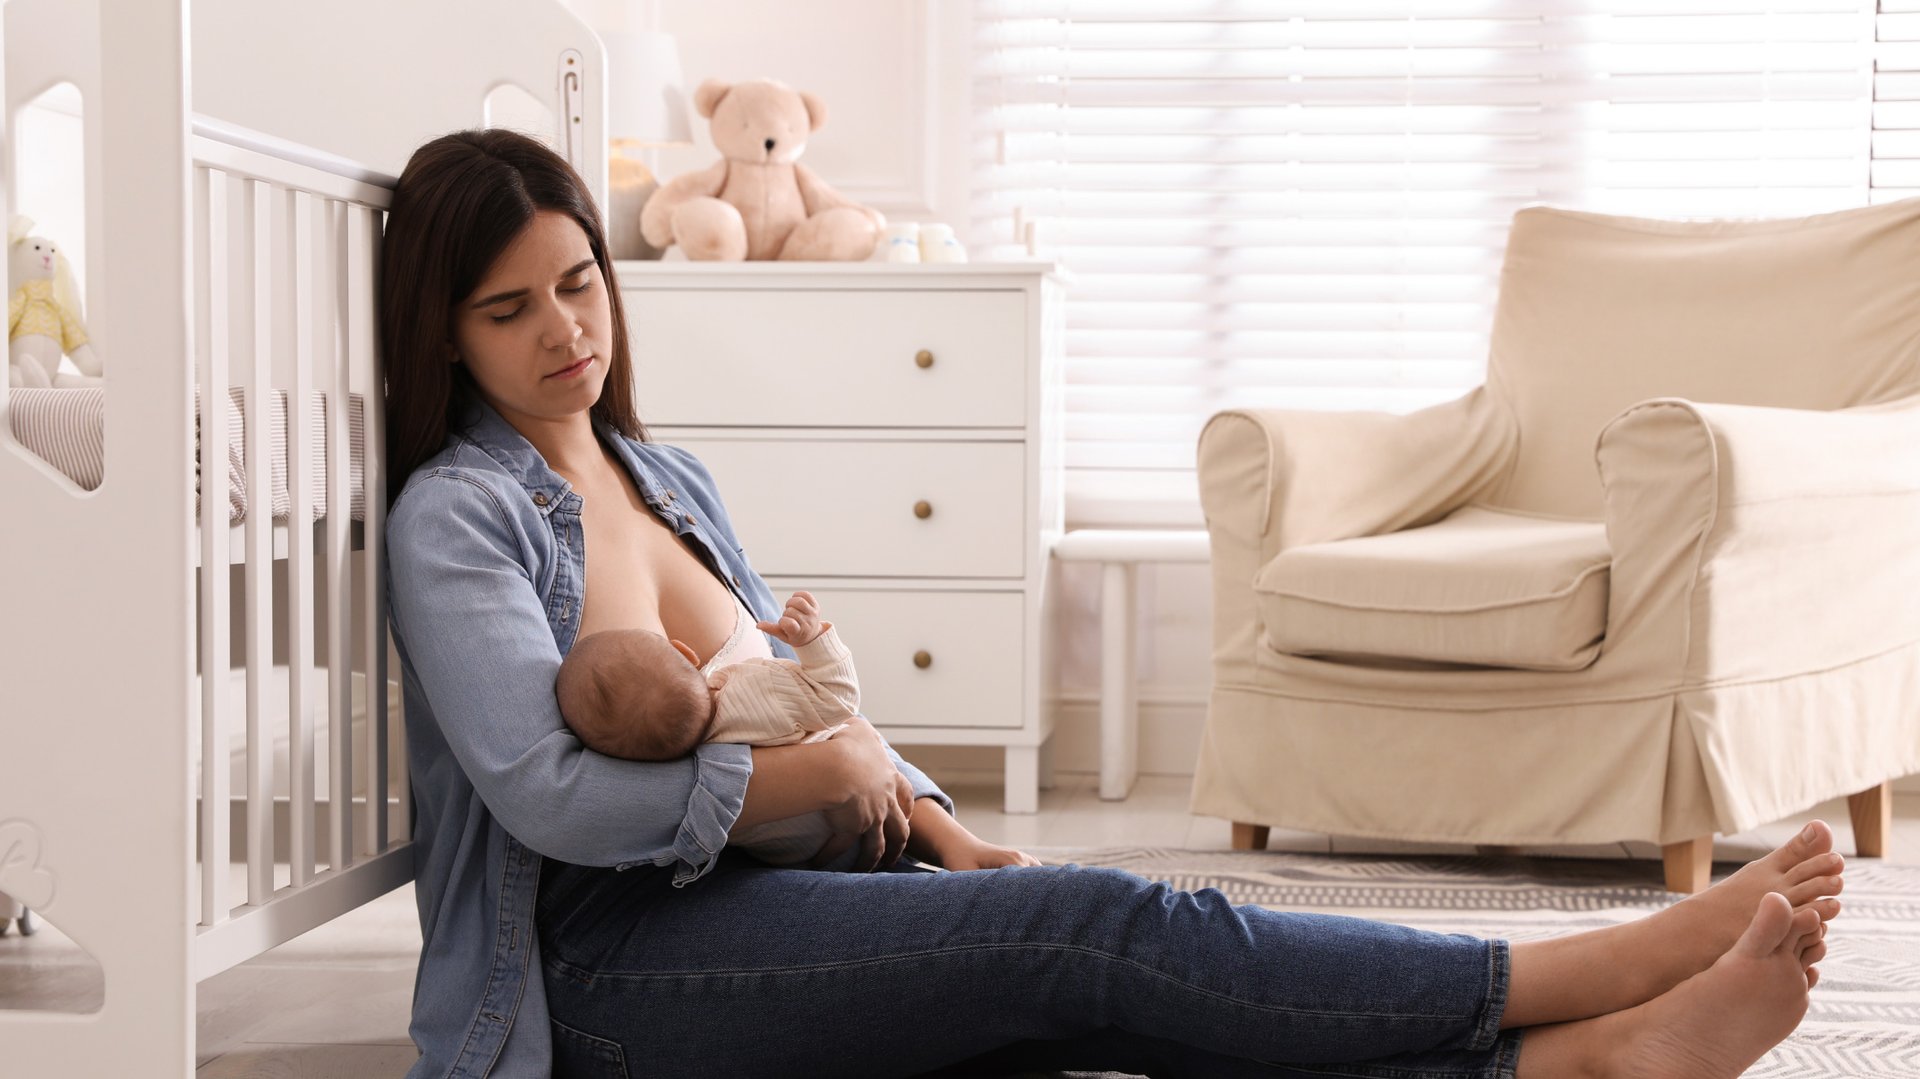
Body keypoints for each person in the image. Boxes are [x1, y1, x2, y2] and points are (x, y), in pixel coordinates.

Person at [380, 128, 1846, 1079]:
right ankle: (1592, 966)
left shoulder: (665, 473)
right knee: (1090, 923)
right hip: (598, 975)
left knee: (1110, 990)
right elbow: (555, 800)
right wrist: (813, 776)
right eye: (510, 310)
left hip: (778, 890)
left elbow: (816, 696)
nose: (567, 330)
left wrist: (944, 832)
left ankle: (1571, 1067)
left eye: (580, 283)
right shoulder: (458, 519)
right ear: (445, 332)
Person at [556, 589, 896, 871]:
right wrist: (814, 641)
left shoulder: (691, 775)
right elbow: (840, 698)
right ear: (684, 652)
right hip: (862, 826)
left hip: (798, 857)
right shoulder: (754, 694)